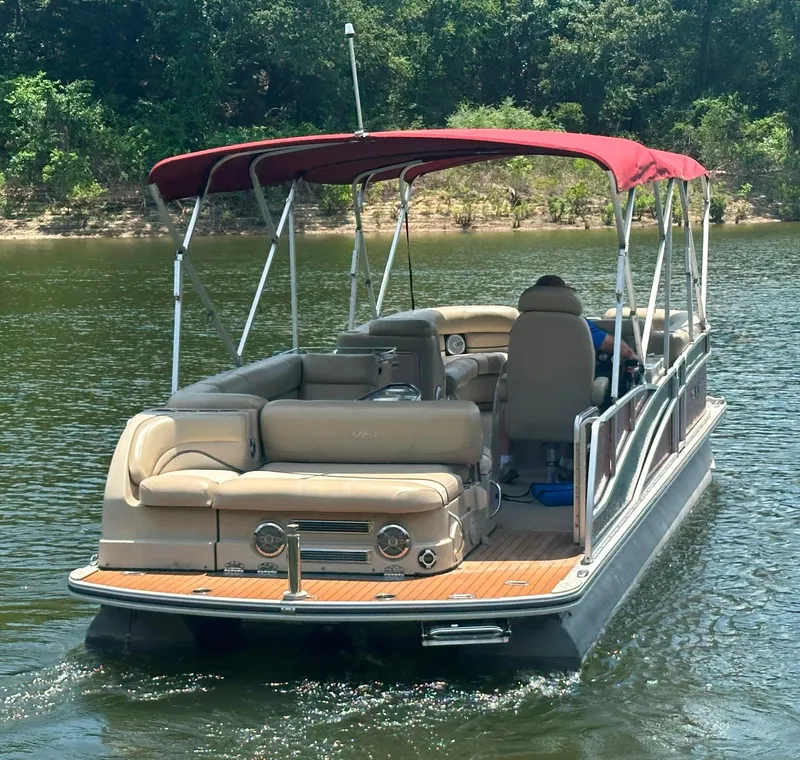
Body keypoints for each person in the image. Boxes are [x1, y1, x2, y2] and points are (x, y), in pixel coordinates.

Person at [498, 275, 637, 484]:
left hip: (523, 413)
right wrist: (633, 356)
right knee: (595, 394)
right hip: (571, 414)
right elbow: (621, 349)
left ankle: (505, 462)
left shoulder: (521, 326)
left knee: (505, 407)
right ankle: (569, 461)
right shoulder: (581, 326)